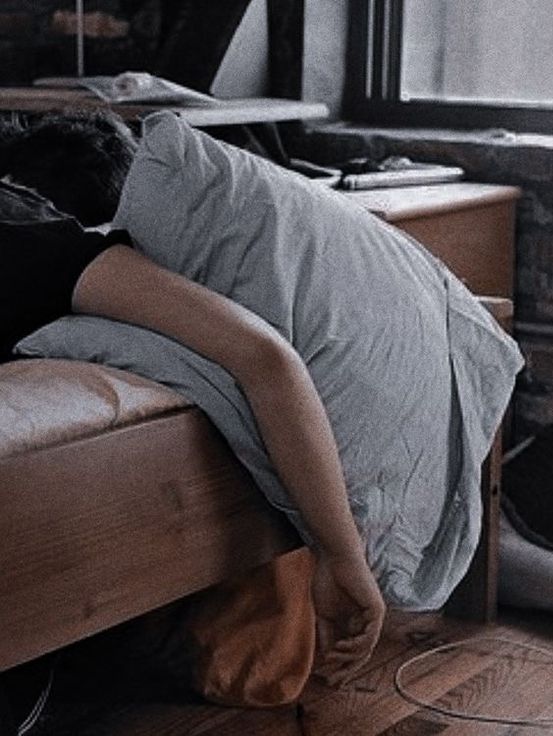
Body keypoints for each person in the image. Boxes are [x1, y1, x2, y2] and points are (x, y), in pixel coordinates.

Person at [0, 111, 385, 688]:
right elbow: (263, 356)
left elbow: (264, 357)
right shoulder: (33, 237)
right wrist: (343, 555)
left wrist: (339, 555)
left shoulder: (32, 237)